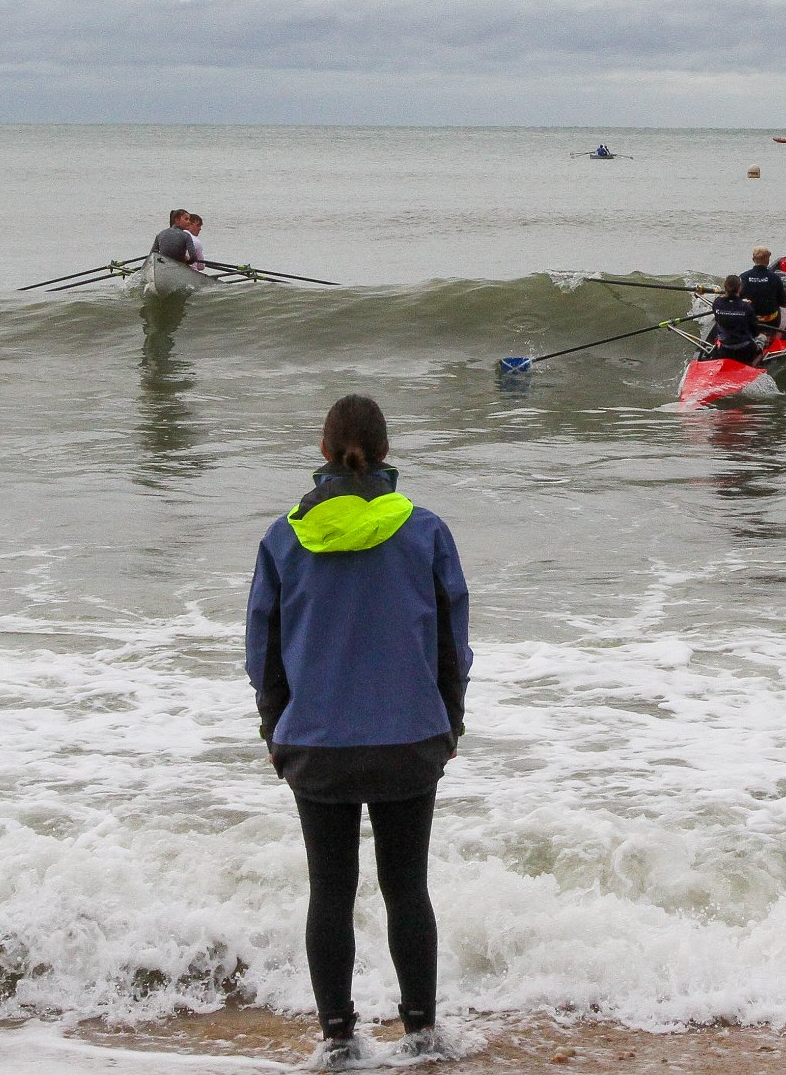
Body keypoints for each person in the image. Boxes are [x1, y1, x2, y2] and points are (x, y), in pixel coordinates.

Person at [246, 395, 472, 1069]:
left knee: (330, 891)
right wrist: (449, 722)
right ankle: (423, 1034)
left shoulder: (284, 538)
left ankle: (340, 1040)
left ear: (325, 451)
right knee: (407, 888)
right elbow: (450, 643)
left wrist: (275, 728)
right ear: (384, 450)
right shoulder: (424, 529)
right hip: (410, 739)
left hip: (316, 743)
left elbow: (264, 649)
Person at [705, 274, 763, 364]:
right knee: (763, 338)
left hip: (725, 349)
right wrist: (743, 304)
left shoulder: (717, 303)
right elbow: (755, 331)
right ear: (740, 288)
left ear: (725, 287)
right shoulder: (746, 307)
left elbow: (724, 302)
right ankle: (757, 359)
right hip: (745, 350)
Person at [739, 247, 786, 332]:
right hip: (771, 322)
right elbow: (784, 303)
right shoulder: (775, 278)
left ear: (753, 259)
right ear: (768, 260)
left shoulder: (743, 277)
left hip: (749, 321)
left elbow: (737, 300)